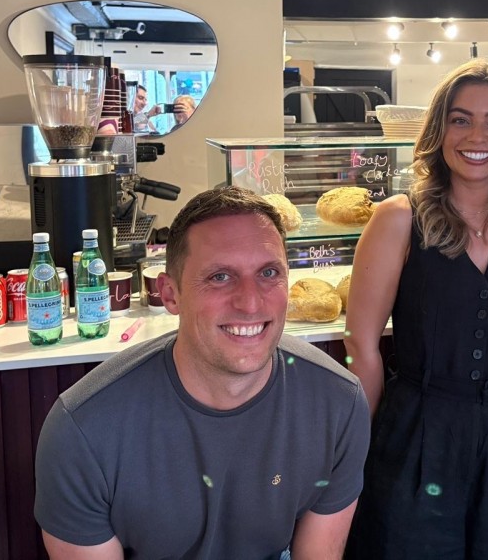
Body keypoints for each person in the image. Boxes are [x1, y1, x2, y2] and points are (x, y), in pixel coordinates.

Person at [34, 186, 371, 559]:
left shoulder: (339, 404)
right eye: (220, 277)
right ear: (170, 294)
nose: (250, 302)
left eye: (268, 272)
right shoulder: (83, 431)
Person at [344, 60, 488, 559]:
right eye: (460, 119)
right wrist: (364, 446)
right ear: (439, 130)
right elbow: (361, 346)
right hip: (418, 430)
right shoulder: (398, 218)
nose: (477, 136)